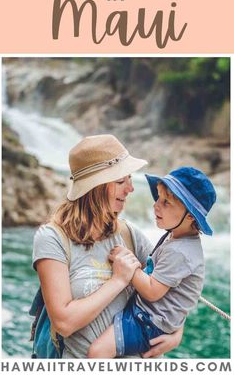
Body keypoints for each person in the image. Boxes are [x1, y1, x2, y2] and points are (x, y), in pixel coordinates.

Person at [33, 134, 183, 358]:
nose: (130, 188)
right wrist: (119, 280)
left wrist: (177, 334)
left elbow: (172, 290)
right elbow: (64, 322)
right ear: (95, 187)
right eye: (121, 181)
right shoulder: (52, 238)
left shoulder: (130, 234)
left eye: (130, 179)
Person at [88, 167, 216, 358]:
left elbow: (152, 291)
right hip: (150, 315)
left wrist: (128, 263)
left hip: (149, 322)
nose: (156, 205)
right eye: (158, 198)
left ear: (190, 216)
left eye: (166, 202)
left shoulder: (180, 252)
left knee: (97, 352)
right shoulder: (176, 236)